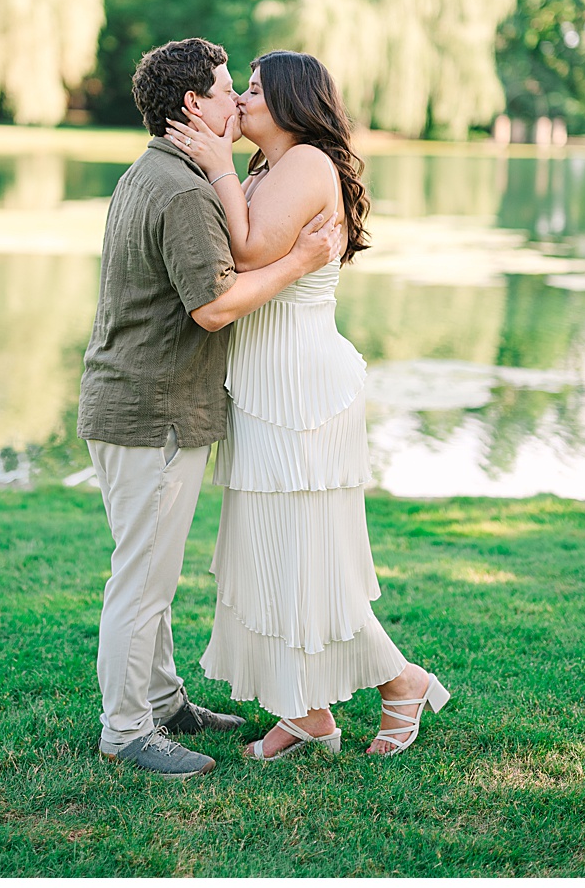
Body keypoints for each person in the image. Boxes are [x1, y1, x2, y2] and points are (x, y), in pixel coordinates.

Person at [167, 50, 449, 760]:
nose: (241, 102)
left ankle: (402, 680)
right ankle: (307, 710)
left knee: (308, 558)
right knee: (273, 556)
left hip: (302, 392)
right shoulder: (270, 167)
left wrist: (218, 166)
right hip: (266, 384)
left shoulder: (306, 165)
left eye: (254, 91)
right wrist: (226, 165)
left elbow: (253, 249)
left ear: (293, 100)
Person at [77, 38, 342, 779]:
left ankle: (162, 699)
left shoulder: (152, 171)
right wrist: (298, 263)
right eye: (229, 90)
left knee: (147, 568)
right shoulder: (188, 192)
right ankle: (127, 727)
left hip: (129, 403)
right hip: (153, 411)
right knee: (142, 578)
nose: (237, 102)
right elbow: (217, 307)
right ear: (194, 104)